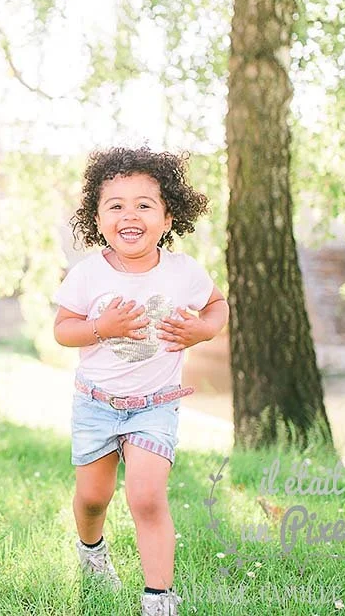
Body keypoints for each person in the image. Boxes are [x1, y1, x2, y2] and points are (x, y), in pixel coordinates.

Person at [53, 147, 229, 616]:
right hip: (96, 403)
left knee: (147, 497)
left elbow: (218, 306)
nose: (130, 214)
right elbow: (62, 330)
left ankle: (159, 598)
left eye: (144, 204)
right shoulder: (87, 274)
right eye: (116, 205)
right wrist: (100, 328)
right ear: (97, 217)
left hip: (156, 404)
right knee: (93, 498)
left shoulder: (183, 271)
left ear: (168, 216)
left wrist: (203, 329)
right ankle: (91, 551)